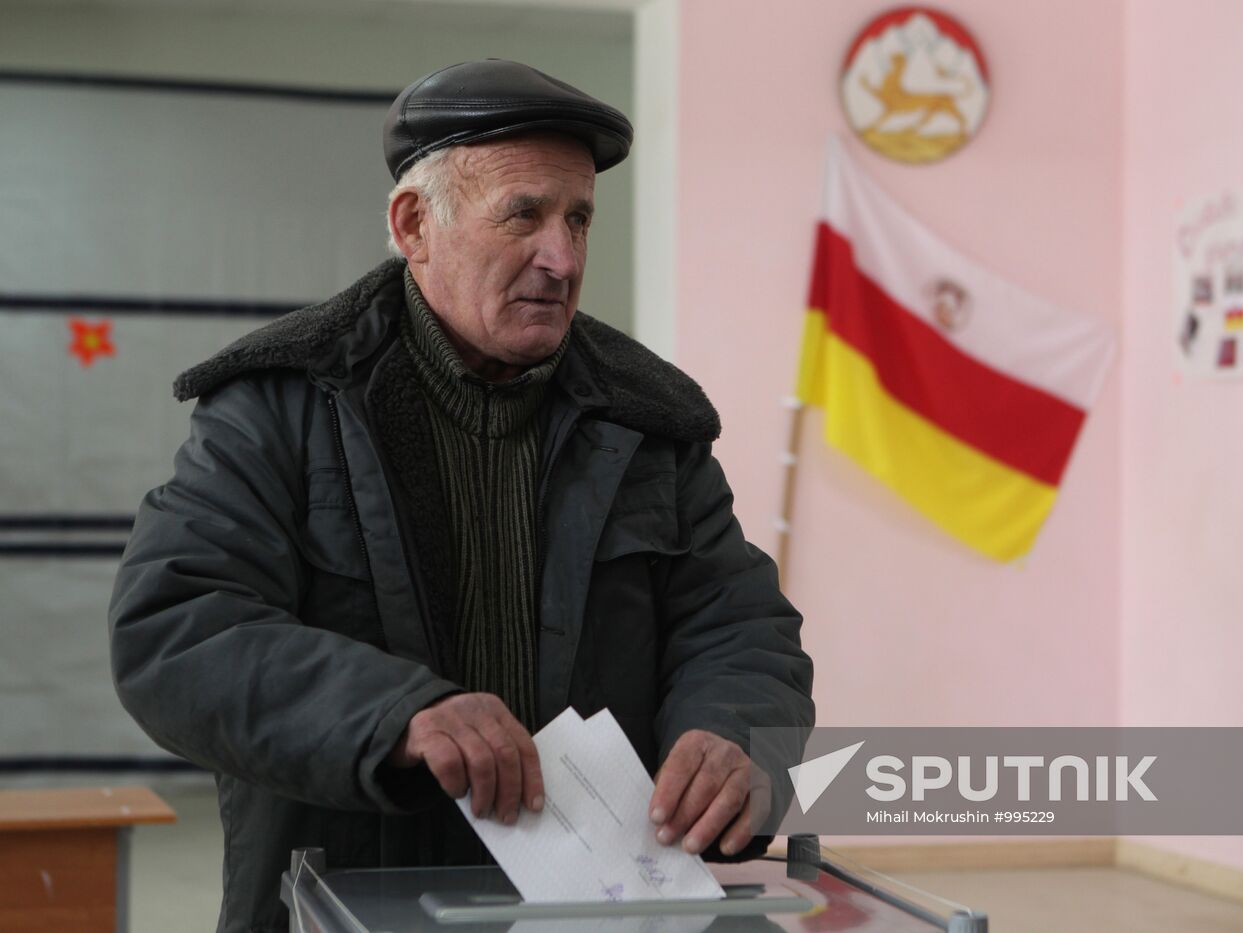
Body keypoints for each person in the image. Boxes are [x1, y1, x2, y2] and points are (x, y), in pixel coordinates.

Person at [108, 60, 814, 932]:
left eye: (579, 218)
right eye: (524, 214)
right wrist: (399, 713)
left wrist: (735, 733)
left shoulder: (651, 420)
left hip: (600, 908)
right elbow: (175, 626)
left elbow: (738, 625)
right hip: (345, 904)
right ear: (415, 225)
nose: (561, 257)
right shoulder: (278, 404)